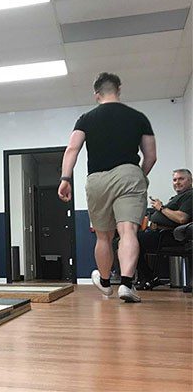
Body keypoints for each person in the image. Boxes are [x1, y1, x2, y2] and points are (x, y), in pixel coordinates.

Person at [58, 72, 156, 303]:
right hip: (129, 173)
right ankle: (126, 284)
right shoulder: (138, 117)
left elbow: (72, 149)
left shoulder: (86, 118)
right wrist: (137, 176)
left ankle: (104, 282)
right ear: (118, 90)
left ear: (96, 94)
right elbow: (150, 156)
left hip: (97, 179)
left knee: (103, 237)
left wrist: (65, 178)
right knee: (128, 231)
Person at [135, 169, 192, 289]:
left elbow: (182, 218)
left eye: (181, 179)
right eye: (175, 179)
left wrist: (161, 208)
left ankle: (148, 278)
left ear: (190, 180)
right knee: (127, 240)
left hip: (170, 235)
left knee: (130, 241)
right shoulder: (177, 197)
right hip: (157, 232)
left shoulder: (190, 195)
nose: (177, 182)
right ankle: (148, 277)